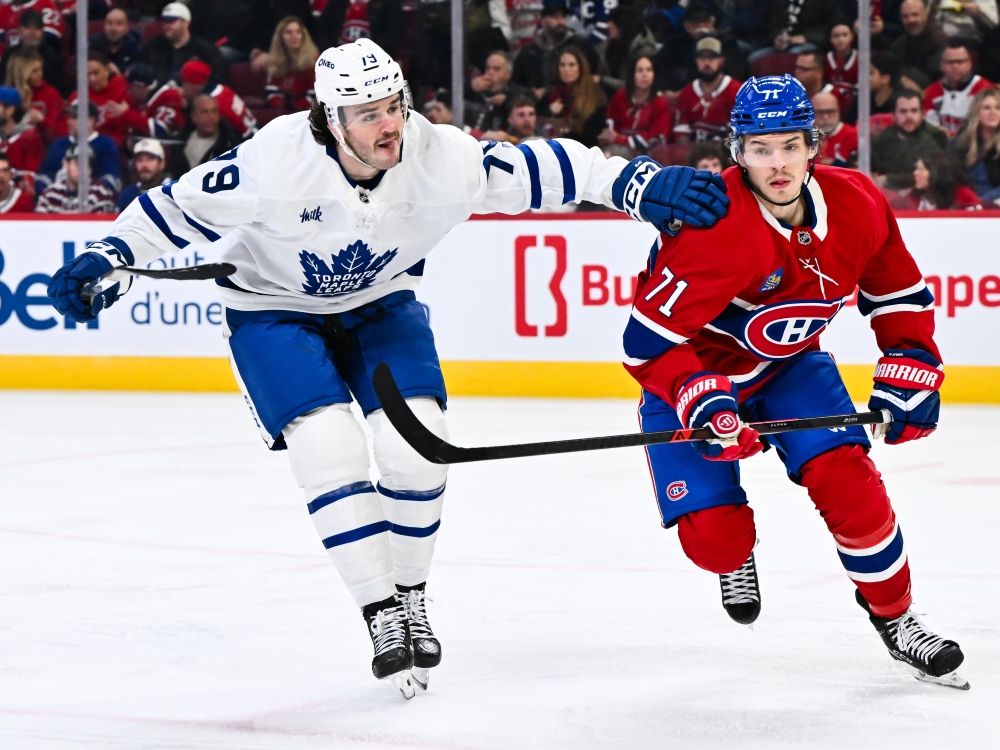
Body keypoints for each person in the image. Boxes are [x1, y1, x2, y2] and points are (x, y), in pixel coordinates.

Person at [45, 37, 729, 698]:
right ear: (329, 118)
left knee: (420, 451)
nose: (387, 124)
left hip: (379, 303)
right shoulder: (272, 163)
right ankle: (380, 612)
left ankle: (411, 595)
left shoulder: (441, 157)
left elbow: (546, 169)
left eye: (393, 105)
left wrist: (635, 182)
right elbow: (171, 209)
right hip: (273, 310)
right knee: (328, 445)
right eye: (366, 113)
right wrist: (106, 257)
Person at [621, 73, 967, 688]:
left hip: (791, 369)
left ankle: (898, 617)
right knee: (716, 543)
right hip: (694, 377)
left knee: (852, 485)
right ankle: (735, 554)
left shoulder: (859, 202)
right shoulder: (712, 224)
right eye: (760, 148)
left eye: (788, 145)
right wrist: (697, 394)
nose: (776, 164)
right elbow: (644, 345)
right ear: (738, 152)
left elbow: (897, 293)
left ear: (814, 144)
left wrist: (911, 360)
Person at [872, 88, 948, 190]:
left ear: (922, 114)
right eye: (903, 111)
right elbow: (865, 168)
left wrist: (889, 179)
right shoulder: (881, 139)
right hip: (888, 196)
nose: (909, 116)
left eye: (914, 111)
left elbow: (936, 175)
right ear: (893, 115)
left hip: (927, 196)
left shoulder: (936, 136)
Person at [598, 54, 671, 158]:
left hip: (648, 154)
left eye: (649, 70)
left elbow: (658, 138)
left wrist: (620, 139)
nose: (644, 74)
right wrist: (612, 136)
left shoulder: (661, 101)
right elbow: (611, 125)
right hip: (618, 148)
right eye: (640, 70)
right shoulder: (620, 96)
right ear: (632, 74)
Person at [673, 36, 742, 144]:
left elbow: (739, 133)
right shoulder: (686, 93)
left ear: (721, 61)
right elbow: (681, 132)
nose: (706, 63)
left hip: (724, 153)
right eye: (702, 58)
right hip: (693, 154)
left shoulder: (737, 91)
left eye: (711, 58)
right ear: (696, 61)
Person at [923, 37, 994, 138]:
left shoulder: (984, 89)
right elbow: (930, 127)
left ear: (969, 64)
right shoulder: (932, 91)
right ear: (941, 65)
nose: (955, 66)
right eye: (950, 62)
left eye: (960, 62)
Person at [178, 59, 258, 140]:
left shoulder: (209, 103)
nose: (182, 88)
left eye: (184, 83)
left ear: (193, 85)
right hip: (253, 135)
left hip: (243, 143)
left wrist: (184, 108)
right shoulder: (222, 89)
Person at [951, 85, 1000, 203]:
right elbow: (952, 179)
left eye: (998, 108)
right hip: (966, 205)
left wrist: (983, 202)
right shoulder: (960, 143)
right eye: (986, 108)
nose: (992, 112)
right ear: (976, 111)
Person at [36, 143, 117, 213]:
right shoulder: (50, 194)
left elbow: (101, 228)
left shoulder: (101, 193)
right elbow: (40, 227)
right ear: (66, 164)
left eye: (87, 165)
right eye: (78, 164)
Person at [263, 16, 320, 114]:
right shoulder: (275, 60)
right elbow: (271, 90)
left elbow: (316, 94)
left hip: (305, 113)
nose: (294, 36)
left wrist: (295, 107)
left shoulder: (313, 61)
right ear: (280, 37)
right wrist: (280, 106)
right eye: (289, 32)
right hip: (281, 112)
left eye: (298, 32)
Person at [893, 151, 984, 209]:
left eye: (921, 169)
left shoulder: (964, 195)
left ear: (937, 173)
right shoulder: (915, 196)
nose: (915, 173)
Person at [181, 92, 241, 169]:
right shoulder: (180, 141)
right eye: (204, 112)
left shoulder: (229, 146)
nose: (211, 117)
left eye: (214, 111)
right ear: (194, 116)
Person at [117, 137, 172, 211]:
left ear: (162, 163)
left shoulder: (173, 191)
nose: (144, 165)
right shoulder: (128, 194)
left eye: (150, 159)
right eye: (140, 160)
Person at [812, 90, 857, 167]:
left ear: (838, 111)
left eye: (830, 111)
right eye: (820, 112)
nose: (825, 117)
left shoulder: (854, 135)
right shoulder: (803, 136)